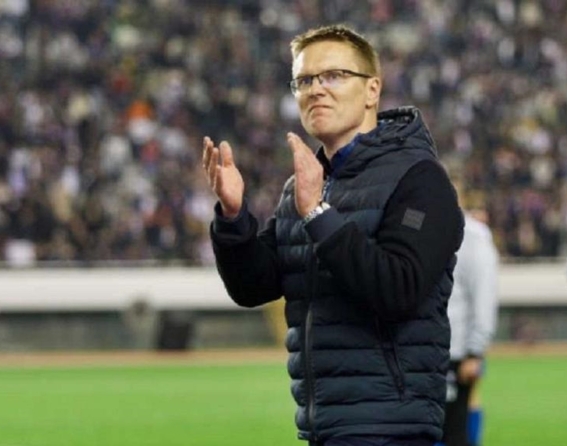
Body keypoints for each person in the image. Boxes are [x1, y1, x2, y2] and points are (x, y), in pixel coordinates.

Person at [202, 24, 463, 446]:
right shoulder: (305, 185)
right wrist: (233, 218)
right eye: (304, 80)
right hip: (324, 424)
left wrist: (318, 215)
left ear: (372, 90)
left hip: (389, 425)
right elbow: (253, 287)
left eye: (334, 76)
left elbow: (399, 288)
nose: (316, 90)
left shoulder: (419, 179)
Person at [440, 206, 499, 446]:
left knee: (454, 431)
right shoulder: (415, 225)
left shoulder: (473, 236)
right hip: (420, 351)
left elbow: (484, 296)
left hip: (455, 350)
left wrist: (475, 351)